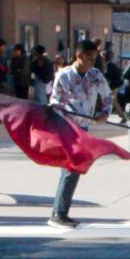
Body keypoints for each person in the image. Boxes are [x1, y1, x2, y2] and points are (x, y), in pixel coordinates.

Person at [46, 45, 117, 228]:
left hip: (84, 127)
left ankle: (58, 211)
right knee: (72, 168)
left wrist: (104, 113)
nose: (92, 62)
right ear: (79, 56)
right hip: (67, 126)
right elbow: (55, 101)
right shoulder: (64, 75)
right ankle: (59, 213)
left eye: (94, 58)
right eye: (89, 58)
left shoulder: (96, 75)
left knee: (73, 169)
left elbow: (108, 96)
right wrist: (61, 112)